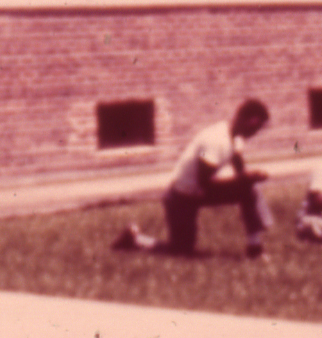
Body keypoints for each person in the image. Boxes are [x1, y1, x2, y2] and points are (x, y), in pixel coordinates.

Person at [114, 99, 272, 257]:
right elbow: (205, 183)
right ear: (247, 120)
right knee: (182, 250)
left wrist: (247, 179)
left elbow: (239, 169)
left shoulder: (236, 138)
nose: (256, 132)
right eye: (256, 127)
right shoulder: (215, 139)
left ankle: (254, 248)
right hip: (182, 196)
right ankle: (134, 239)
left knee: (248, 190)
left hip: (198, 192)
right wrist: (246, 178)